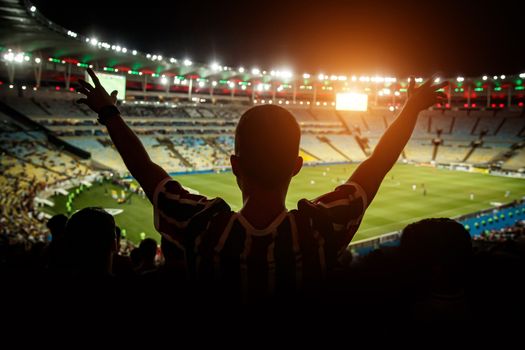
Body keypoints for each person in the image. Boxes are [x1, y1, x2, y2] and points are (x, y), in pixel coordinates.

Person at [76, 68, 447, 302]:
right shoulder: (322, 227)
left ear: (234, 164)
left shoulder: (199, 223)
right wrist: (410, 109)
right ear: (298, 166)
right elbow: (376, 166)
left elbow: (145, 169)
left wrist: (109, 114)